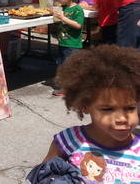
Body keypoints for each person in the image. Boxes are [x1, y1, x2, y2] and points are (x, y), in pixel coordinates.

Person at [39, 45, 140, 183]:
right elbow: (42, 175)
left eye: (130, 108)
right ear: (85, 106)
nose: (122, 118)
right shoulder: (68, 141)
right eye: (107, 109)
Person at [51, 0, 84, 97]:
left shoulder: (77, 10)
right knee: (62, 64)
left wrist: (63, 18)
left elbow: (78, 25)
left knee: (70, 66)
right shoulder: (64, 8)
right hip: (63, 42)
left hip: (72, 44)